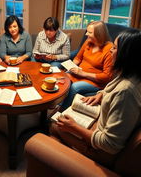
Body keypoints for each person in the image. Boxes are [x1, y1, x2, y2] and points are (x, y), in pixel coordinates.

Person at [51, 29, 141, 167]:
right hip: (100, 125)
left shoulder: (126, 92)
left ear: (126, 55)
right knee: (64, 113)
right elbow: (114, 90)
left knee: (54, 124)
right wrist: (101, 94)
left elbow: (109, 145)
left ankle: (57, 160)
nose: (111, 50)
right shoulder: (131, 76)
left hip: (102, 151)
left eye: (115, 48)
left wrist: (74, 127)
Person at [60, 21, 113, 110]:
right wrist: (71, 66)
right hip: (79, 73)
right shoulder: (88, 41)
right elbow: (78, 58)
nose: (86, 34)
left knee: (75, 87)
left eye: (90, 32)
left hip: (95, 82)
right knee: (63, 77)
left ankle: (61, 111)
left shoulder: (109, 49)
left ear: (99, 34)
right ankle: (59, 104)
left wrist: (83, 73)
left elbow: (107, 76)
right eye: (87, 31)